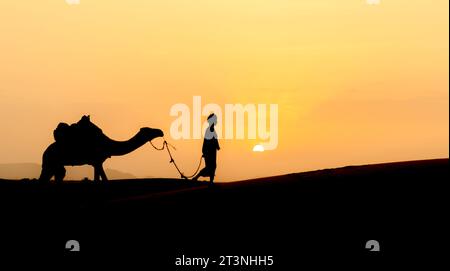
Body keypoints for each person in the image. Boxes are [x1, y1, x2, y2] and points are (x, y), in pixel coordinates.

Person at [192, 113, 220, 184]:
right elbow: (208, 142)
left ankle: (211, 181)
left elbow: (214, 140)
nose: (216, 121)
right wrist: (205, 152)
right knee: (210, 167)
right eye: (215, 119)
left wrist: (217, 146)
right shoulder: (210, 130)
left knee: (212, 166)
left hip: (211, 152)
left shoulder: (211, 130)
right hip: (210, 152)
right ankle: (197, 177)